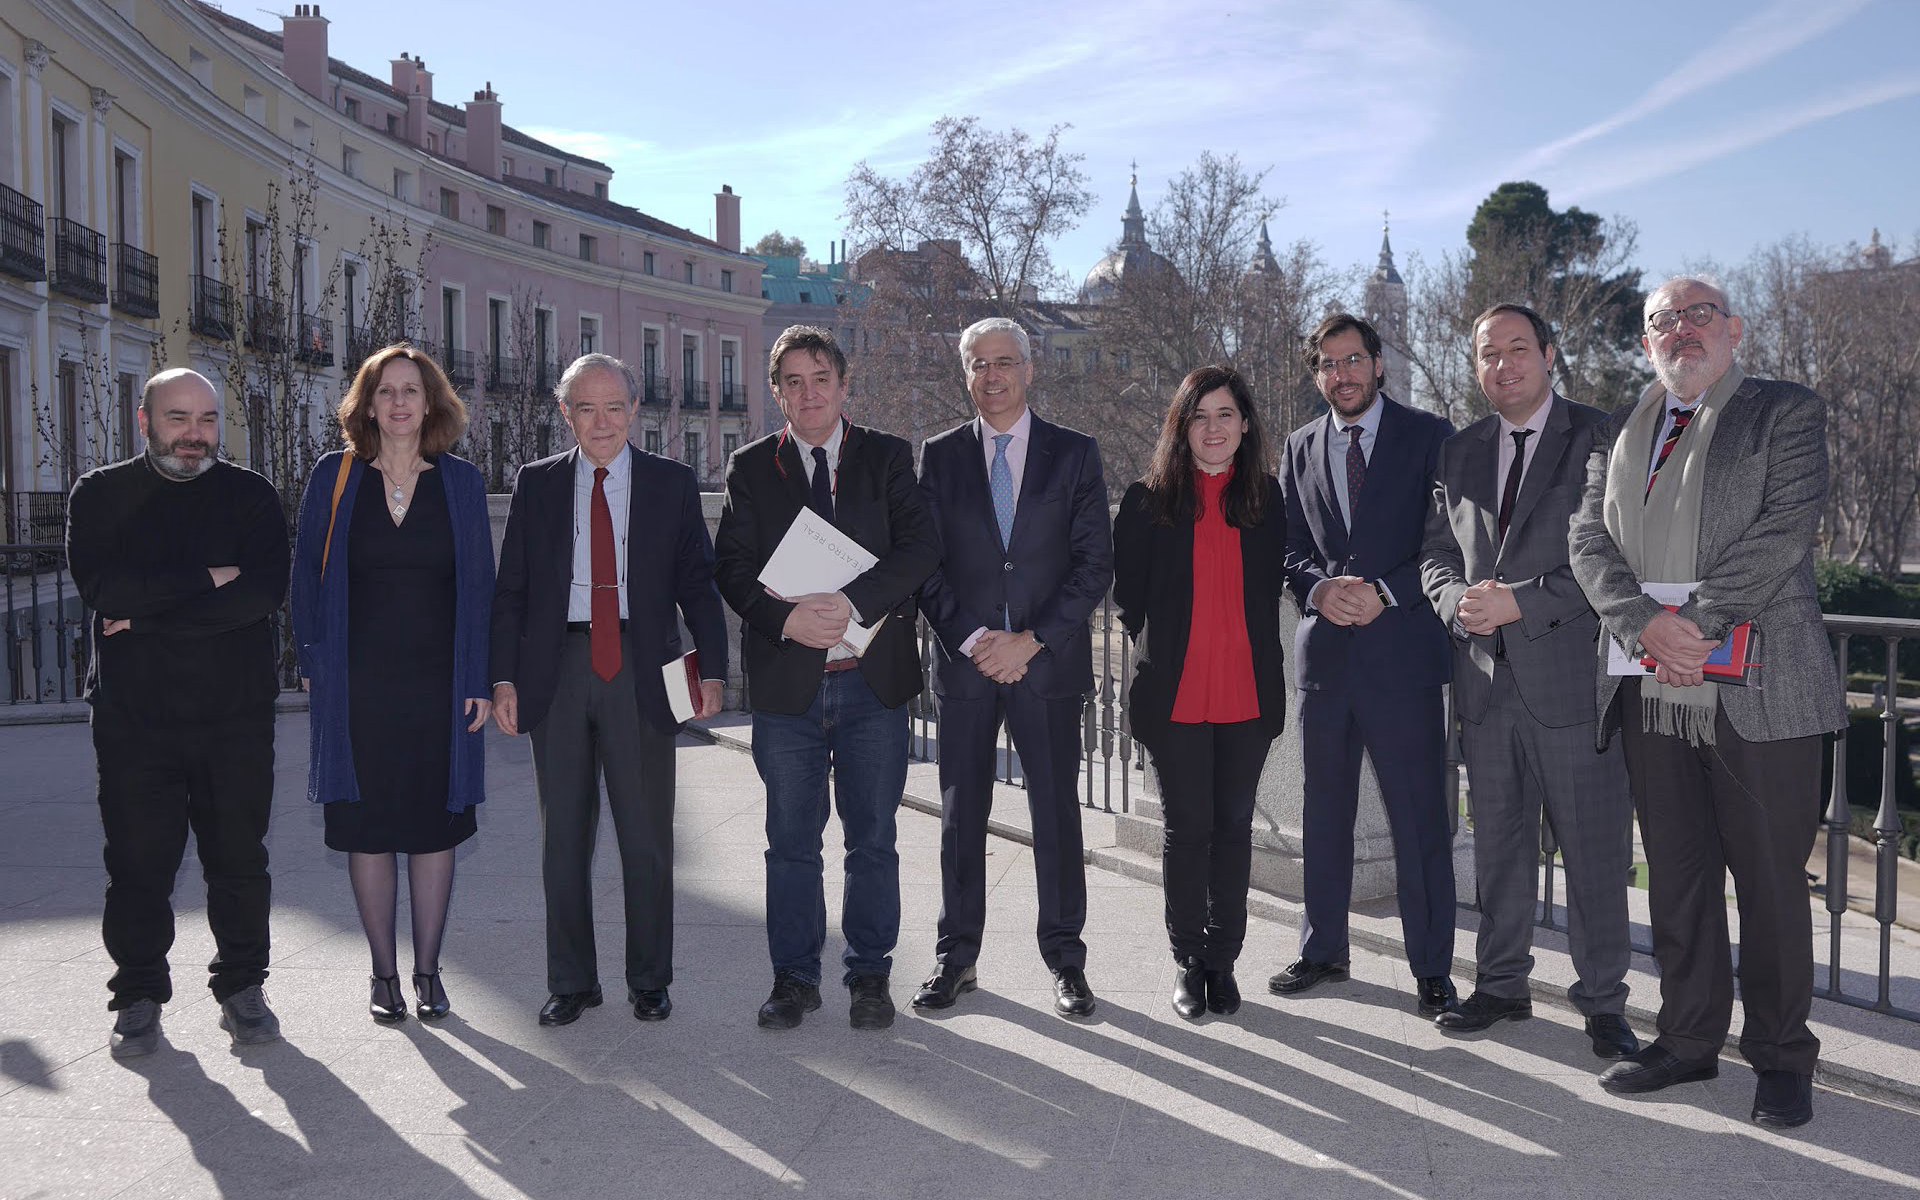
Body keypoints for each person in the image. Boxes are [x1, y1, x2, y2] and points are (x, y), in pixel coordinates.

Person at [1569, 276, 1846, 1128]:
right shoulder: (1620, 428)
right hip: (1651, 683)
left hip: (1761, 688)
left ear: (1732, 329)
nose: (1679, 332)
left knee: (1768, 883)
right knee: (1678, 879)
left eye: (1697, 316)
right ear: (1646, 341)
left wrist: (1694, 622)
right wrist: (1646, 625)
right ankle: (1688, 1042)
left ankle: (1780, 1056)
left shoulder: (1784, 412)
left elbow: (1782, 532)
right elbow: (1587, 537)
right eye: (1661, 322)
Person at [1419, 305, 1637, 1058]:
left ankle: (1604, 1002)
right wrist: (1455, 604)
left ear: (1549, 354)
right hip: (1483, 683)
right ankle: (1502, 985)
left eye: (1519, 350)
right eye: (1489, 354)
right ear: (1475, 365)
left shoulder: (1600, 435)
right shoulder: (1459, 451)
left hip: (1572, 682)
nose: (1504, 365)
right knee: (1499, 848)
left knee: (1595, 850)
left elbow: (1613, 555)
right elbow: (1436, 552)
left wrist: (1523, 600)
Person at [712, 325, 940, 1031]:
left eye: (821, 379)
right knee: (790, 840)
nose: (808, 394)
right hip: (789, 686)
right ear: (777, 393)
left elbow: (921, 547)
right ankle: (795, 979)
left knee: (872, 837)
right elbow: (732, 570)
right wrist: (785, 622)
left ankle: (870, 975)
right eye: (793, 382)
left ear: (844, 386)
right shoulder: (750, 468)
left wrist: (854, 603)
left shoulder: (887, 458)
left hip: (872, 683)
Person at [491, 353, 728, 1027]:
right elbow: (511, 592)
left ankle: (649, 980)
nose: (602, 422)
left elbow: (697, 585)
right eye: (586, 409)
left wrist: (710, 669)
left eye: (615, 407)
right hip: (557, 671)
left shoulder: (671, 484)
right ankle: (572, 982)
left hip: (641, 667)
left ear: (634, 411)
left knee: (647, 837)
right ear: (566, 415)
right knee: (562, 836)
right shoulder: (535, 485)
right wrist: (503, 678)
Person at [66, 367, 290, 1056]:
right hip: (136, 719)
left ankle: (242, 987)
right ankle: (137, 993)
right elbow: (107, 588)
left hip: (236, 716)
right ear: (146, 421)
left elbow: (261, 594)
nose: (194, 435)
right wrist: (206, 580)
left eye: (206, 420)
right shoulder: (102, 495)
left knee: (238, 859)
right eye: (178, 419)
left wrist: (150, 617)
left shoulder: (252, 496)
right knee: (137, 862)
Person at [913, 317, 1114, 1019]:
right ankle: (956, 957)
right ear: (964, 374)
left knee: (1056, 815)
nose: (991, 376)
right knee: (961, 817)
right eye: (978, 365)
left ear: (1030, 370)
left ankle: (1066, 960)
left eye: (1004, 363)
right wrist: (973, 639)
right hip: (967, 668)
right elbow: (924, 566)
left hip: (1046, 665)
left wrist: (1030, 640)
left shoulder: (1074, 454)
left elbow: (1095, 567)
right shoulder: (937, 458)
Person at [291, 344, 495, 1024]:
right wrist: (316, 663)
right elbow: (306, 580)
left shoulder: (461, 484)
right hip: (358, 687)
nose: (401, 402)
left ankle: (429, 972)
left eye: (412, 390)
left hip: (441, 685)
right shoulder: (335, 476)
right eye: (387, 392)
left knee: (434, 830)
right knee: (369, 831)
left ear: (432, 404)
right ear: (367, 404)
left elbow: (481, 589)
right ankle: (383, 975)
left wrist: (480, 679)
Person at [1270, 313, 1459, 1016]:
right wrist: (1319, 589)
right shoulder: (1299, 445)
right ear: (1315, 373)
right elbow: (1286, 546)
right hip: (1326, 658)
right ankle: (1322, 950)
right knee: (1324, 813)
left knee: (1419, 820)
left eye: (1352, 360)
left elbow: (1448, 542)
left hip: (1402, 655)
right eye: (1326, 363)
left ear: (1378, 364)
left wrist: (1384, 592)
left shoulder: (1429, 436)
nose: (1340, 374)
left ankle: (1433, 968)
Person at [1112, 366, 1287, 1020]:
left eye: (1226, 415)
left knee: (1233, 830)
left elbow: (1275, 586)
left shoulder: (1267, 502)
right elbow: (1129, 599)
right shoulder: (1146, 500)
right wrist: (1169, 645)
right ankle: (1188, 961)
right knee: (1188, 832)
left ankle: (1223, 961)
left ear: (1245, 425)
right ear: (1181, 427)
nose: (1214, 429)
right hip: (1176, 697)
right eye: (1200, 416)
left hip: (1248, 696)